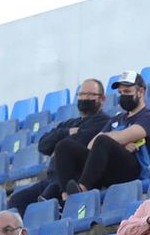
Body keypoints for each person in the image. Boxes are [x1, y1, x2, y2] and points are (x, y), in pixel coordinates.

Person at [7, 79, 116, 213]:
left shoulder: (104, 121)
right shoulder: (70, 123)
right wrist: (67, 132)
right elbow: (43, 144)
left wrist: (58, 145)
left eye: (90, 95)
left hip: (73, 178)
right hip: (51, 178)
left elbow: (77, 143)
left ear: (102, 99)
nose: (85, 98)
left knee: (47, 199)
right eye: (81, 95)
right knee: (16, 202)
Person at [60, 71, 150, 195]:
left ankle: (82, 189)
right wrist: (121, 144)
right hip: (111, 169)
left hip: (136, 170)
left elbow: (120, 137)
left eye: (127, 92)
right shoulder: (116, 119)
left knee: (103, 141)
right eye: (120, 93)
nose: (122, 96)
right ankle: (66, 196)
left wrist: (115, 139)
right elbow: (91, 146)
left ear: (141, 92)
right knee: (65, 146)